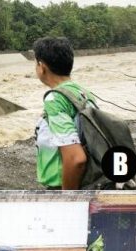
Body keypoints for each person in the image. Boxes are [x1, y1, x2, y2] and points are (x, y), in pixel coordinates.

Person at [34, 37, 95, 190]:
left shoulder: (55, 99)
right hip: (90, 181)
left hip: (66, 187)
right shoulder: (82, 92)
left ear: (41, 67)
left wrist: (68, 200)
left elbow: (76, 158)